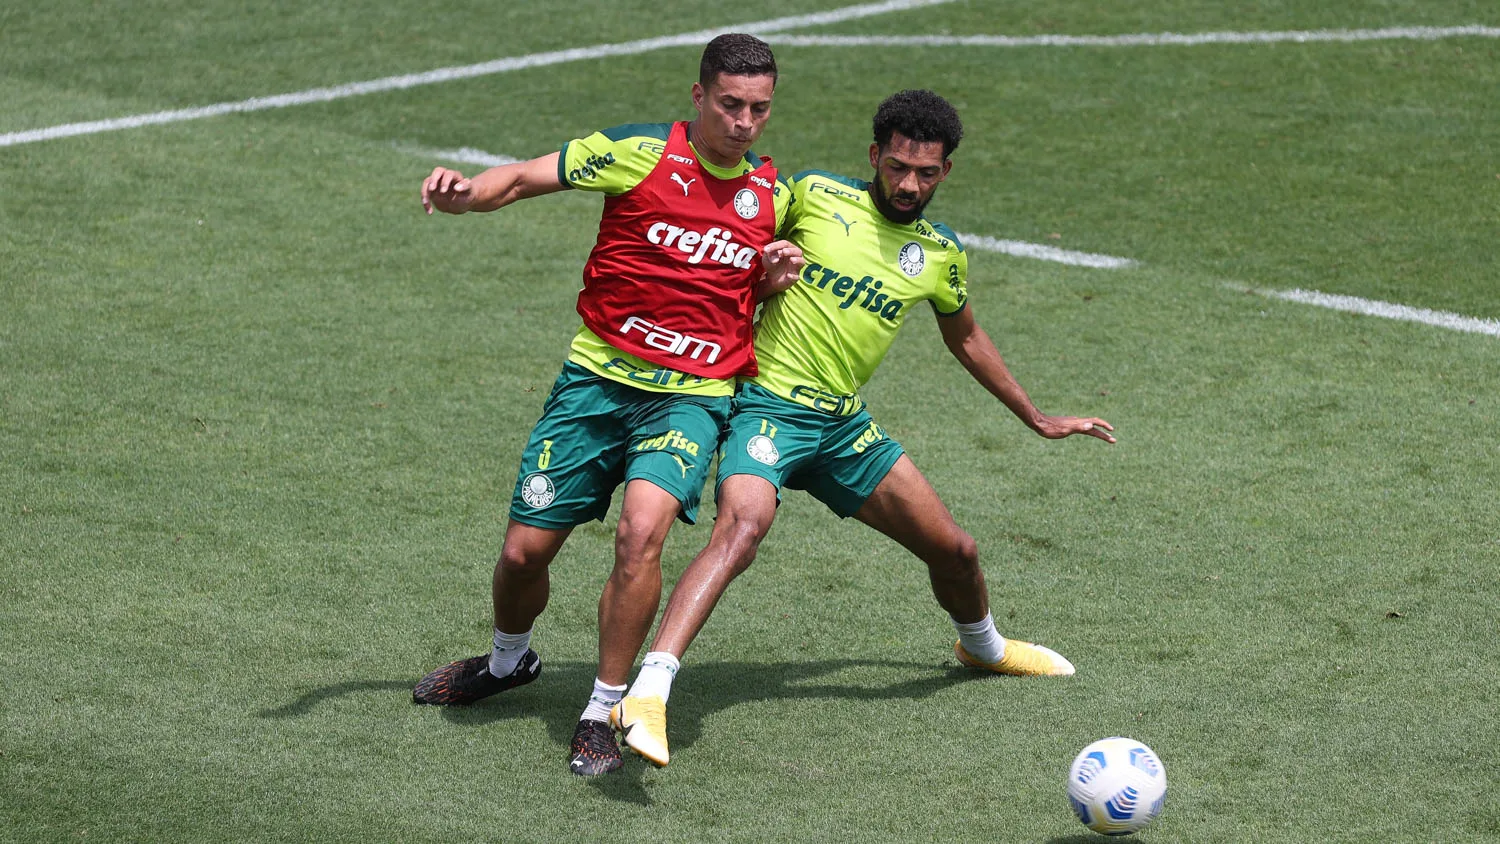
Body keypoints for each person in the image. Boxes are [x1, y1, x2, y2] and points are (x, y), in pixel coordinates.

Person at [608, 90, 1117, 769]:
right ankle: (648, 690)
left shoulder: (939, 252)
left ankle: (984, 648)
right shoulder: (813, 195)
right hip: (766, 408)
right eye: (898, 166)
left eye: (926, 173)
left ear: (946, 173)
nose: (909, 184)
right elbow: (729, 242)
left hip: (842, 426)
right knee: (743, 530)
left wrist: (1036, 416)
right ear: (875, 156)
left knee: (957, 552)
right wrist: (751, 282)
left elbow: (965, 337)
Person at [411, 33, 803, 777]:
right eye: (731, 105)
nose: (746, 122)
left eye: (759, 108)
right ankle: (507, 661)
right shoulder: (637, 152)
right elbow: (524, 178)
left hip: (692, 399)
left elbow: (758, 283)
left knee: (641, 534)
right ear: (698, 98)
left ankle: (602, 707)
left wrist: (775, 274)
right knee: (524, 553)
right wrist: (466, 198)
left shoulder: (774, 195)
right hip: (596, 385)